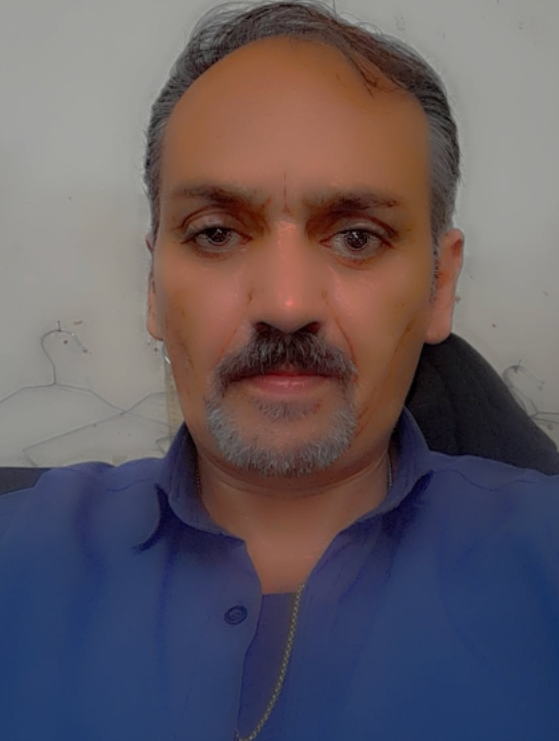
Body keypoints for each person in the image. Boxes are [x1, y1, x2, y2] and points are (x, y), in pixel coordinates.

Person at [1, 2, 558, 739]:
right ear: (153, 289)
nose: (287, 305)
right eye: (216, 233)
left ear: (439, 285)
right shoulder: (18, 560)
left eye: (357, 237)